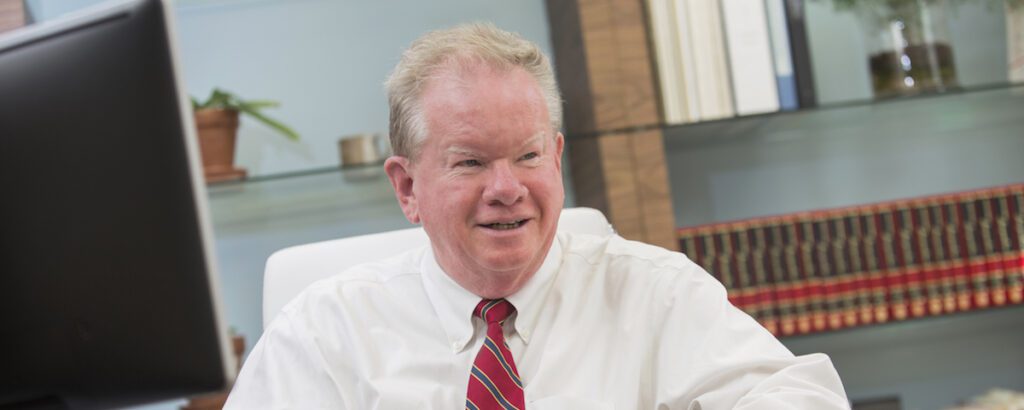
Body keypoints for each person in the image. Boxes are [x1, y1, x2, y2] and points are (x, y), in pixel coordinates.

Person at [225, 23, 850, 409]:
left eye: (527, 156)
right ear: (408, 186)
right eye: (470, 163)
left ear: (556, 158)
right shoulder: (324, 332)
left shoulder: (654, 293)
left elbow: (802, 398)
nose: (507, 189)